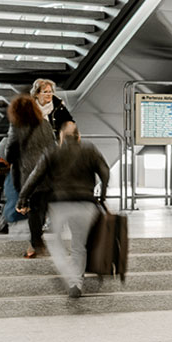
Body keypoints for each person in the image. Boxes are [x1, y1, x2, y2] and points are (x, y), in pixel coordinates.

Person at [21, 121, 110, 299]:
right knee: (79, 245)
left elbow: (35, 176)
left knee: (56, 243)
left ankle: (70, 276)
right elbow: (105, 171)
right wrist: (102, 195)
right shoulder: (90, 149)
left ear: (60, 136)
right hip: (86, 204)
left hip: (60, 204)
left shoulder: (52, 150)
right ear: (79, 136)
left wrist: (23, 197)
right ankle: (76, 282)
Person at [7, 94, 57, 259]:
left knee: (34, 209)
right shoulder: (46, 124)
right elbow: (53, 146)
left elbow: (11, 151)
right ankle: (36, 240)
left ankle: (36, 242)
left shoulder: (17, 126)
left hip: (28, 173)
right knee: (41, 207)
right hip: (48, 171)